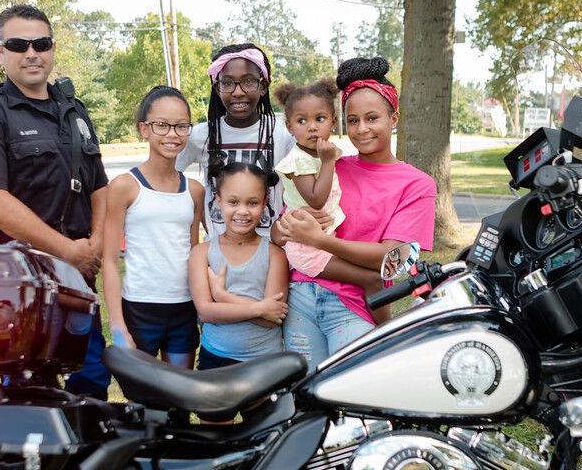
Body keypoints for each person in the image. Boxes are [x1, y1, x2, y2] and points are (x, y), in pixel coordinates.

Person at [0, 4, 111, 398]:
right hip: (19, 283)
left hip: (77, 279)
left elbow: (99, 187)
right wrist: (67, 251)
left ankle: (84, 459)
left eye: (40, 43)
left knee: (90, 378)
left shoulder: (74, 111)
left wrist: (93, 244)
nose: (31, 53)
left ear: (52, 47)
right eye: (18, 44)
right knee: (24, 389)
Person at [275, 57, 436, 365]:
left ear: (394, 118)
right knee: (307, 399)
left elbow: (395, 261)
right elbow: (281, 227)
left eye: (372, 118)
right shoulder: (331, 166)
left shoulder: (417, 184)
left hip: (352, 306)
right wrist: (287, 228)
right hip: (300, 297)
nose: (362, 129)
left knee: (358, 402)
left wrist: (321, 241)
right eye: (353, 120)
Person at [101, 86, 205, 369]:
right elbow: (109, 262)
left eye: (181, 126)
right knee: (145, 404)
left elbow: (194, 252)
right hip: (139, 309)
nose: (172, 134)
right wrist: (119, 327)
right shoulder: (124, 186)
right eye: (162, 125)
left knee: (179, 399)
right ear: (144, 129)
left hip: (183, 309)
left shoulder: (194, 191)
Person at [176, 43, 295, 238]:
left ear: (263, 86)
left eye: (248, 82)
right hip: (218, 253)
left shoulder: (282, 132)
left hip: (271, 252)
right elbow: (169, 177)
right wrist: (202, 215)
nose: (238, 92)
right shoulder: (201, 135)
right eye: (228, 83)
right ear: (217, 88)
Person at [188, 162, 290, 369]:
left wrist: (223, 297)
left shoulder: (275, 254)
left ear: (264, 203)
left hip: (265, 362)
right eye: (233, 202)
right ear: (218, 201)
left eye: (252, 203)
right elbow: (206, 312)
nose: (242, 211)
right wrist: (260, 308)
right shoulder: (201, 253)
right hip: (215, 357)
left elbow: (272, 318)